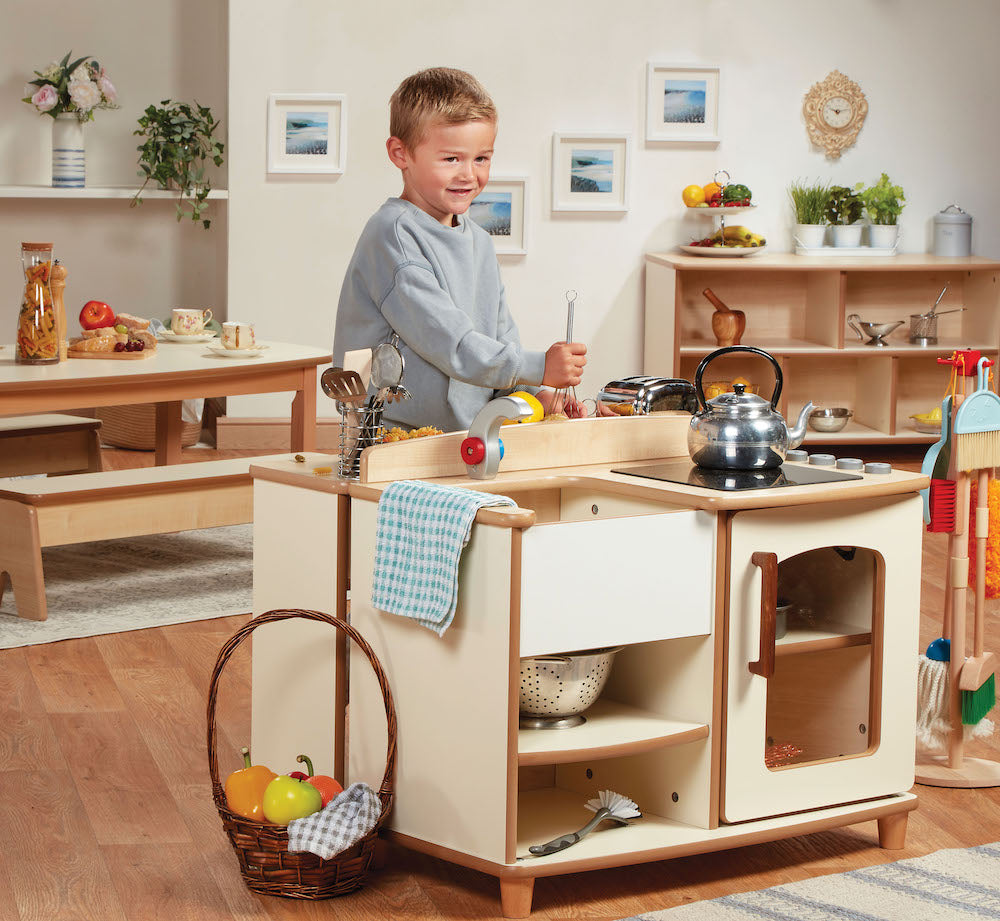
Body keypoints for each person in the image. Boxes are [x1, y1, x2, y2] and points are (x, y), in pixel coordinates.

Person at [332, 67, 587, 434]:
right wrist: (538, 366)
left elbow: (500, 339)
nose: (469, 174)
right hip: (392, 432)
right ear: (400, 154)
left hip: (467, 430)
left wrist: (542, 395)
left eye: (481, 158)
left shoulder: (479, 242)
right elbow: (449, 341)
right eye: (452, 159)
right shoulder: (392, 236)